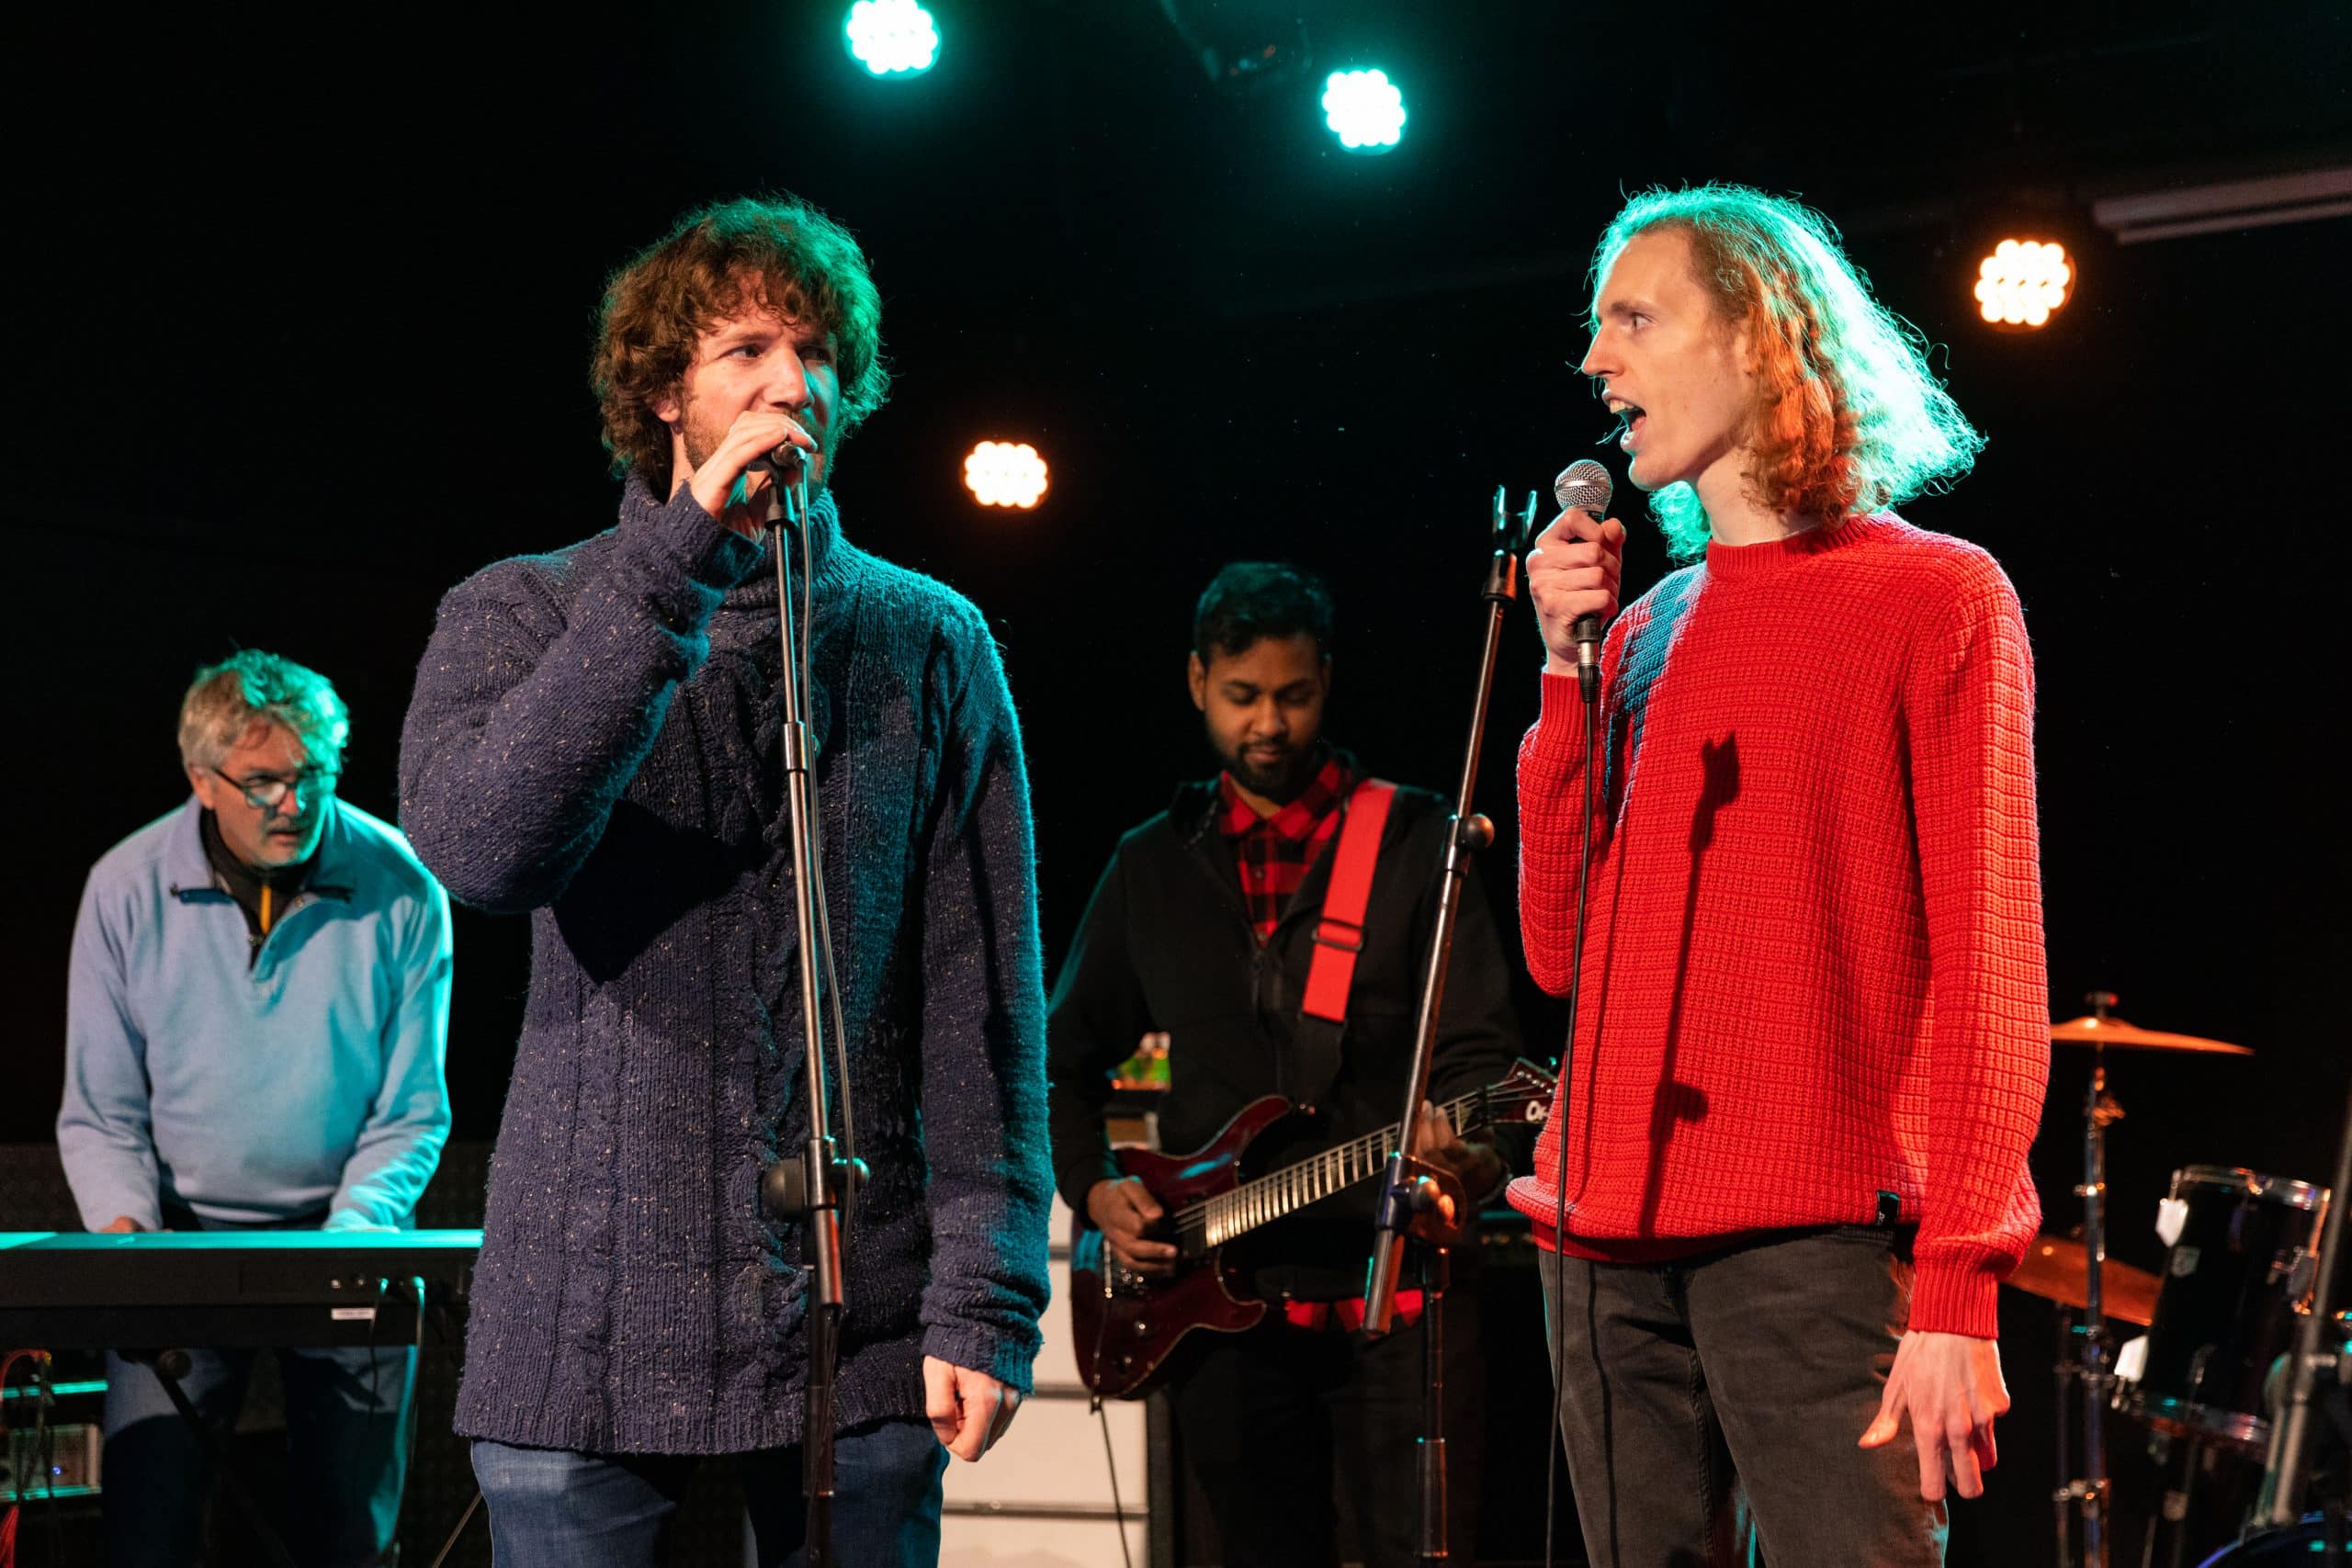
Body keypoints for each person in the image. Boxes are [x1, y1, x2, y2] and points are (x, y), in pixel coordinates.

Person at [397, 194, 1050, 1567]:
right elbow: (484, 851)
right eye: (745, 347)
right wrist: (671, 567)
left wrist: (986, 1295)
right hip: (586, 1312)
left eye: (812, 350)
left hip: (850, 1316)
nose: (789, 382)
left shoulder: (928, 639)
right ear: (661, 391)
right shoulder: (519, 608)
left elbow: (980, 998)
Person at [1513, 184, 2049, 1566]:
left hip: (1812, 1238)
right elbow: (1567, 951)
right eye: (1594, 327)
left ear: (1759, 336)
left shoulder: (1937, 597)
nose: (1596, 361)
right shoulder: (1643, 630)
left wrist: (1958, 1288)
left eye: (1634, 318)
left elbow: (1990, 956)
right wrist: (1565, 690)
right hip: (1598, 1234)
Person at [1046, 561, 1528, 1567]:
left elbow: (1482, 1062)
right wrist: (1094, 1190)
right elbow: (1061, 1063)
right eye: (1242, 697)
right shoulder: (1147, 863)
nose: (1268, 723)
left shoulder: (1417, 842)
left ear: (1328, 683)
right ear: (1195, 683)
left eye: (1294, 695)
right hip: (1215, 1317)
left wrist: (1467, 1159)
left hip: (1394, 1295)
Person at [58, 649, 454, 1568]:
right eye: (263, 781)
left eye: (312, 774)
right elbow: (101, 1109)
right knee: (148, 1534)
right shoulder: (124, 886)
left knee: (351, 1543)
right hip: (177, 1246)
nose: (292, 801)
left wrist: (354, 1237)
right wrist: (129, 1244)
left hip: (347, 1245)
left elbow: (411, 1111)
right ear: (202, 779)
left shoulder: (405, 889)